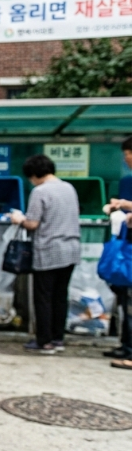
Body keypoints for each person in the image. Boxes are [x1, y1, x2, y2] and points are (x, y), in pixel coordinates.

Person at [11, 154, 81, 354]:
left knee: (43, 297)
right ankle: (58, 339)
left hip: (49, 250)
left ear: (33, 175)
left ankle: (44, 341)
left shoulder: (40, 191)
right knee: (60, 296)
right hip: (71, 249)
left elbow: (32, 223)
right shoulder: (69, 188)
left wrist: (18, 219)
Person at [103, 136, 132, 366]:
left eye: (127, 155)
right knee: (125, 299)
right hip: (127, 248)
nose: (126, 160)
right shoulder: (127, 181)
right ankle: (126, 345)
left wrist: (125, 206)